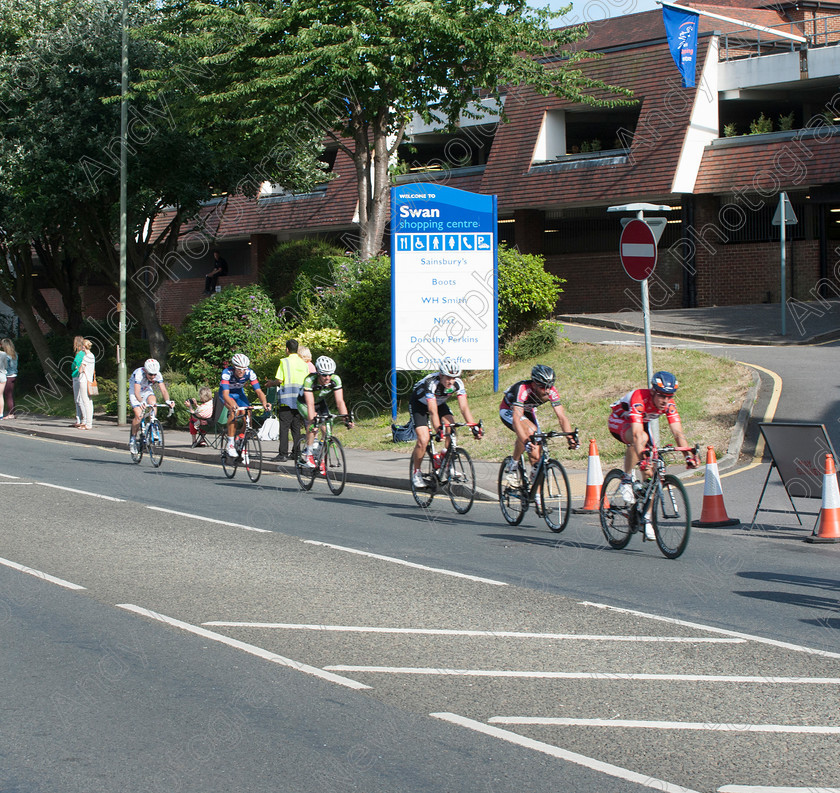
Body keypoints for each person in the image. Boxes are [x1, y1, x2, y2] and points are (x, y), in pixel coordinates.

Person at [608, 370, 699, 540]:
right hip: (619, 421)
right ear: (653, 392)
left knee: (651, 473)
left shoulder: (669, 404)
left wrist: (688, 456)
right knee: (640, 440)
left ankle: (647, 519)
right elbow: (636, 435)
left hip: (642, 423)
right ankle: (626, 479)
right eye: (662, 396)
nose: (665, 400)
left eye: (670, 396)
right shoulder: (639, 398)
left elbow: (678, 432)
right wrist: (642, 456)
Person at [499, 364, 579, 493]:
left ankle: (536, 498)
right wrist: (525, 440)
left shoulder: (551, 391)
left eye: (549, 386)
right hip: (509, 410)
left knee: (536, 454)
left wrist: (570, 437)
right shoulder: (522, 389)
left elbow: (561, 417)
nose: (546, 390)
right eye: (542, 386)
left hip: (528, 410)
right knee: (530, 431)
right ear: (534, 384)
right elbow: (516, 419)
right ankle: (512, 466)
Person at [409, 360, 482, 489]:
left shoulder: (458, 384)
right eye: (448, 377)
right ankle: (417, 472)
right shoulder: (431, 382)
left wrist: (473, 427)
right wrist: (438, 429)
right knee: (423, 439)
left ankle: (447, 461)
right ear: (441, 375)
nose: (451, 381)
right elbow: (432, 411)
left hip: (439, 403)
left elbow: (464, 408)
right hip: (419, 405)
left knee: (451, 427)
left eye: (454, 378)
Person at [296, 355, 353, 468]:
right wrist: (314, 421)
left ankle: (320, 449)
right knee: (313, 423)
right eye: (324, 374)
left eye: (330, 374)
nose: (327, 377)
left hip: (320, 402)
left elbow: (340, 401)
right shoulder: (309, 380)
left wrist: (346, 419)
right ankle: (309, 455)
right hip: (304, 403)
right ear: (318, 372)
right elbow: (310, 404)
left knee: (328, 424)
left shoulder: (335, 380)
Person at [264, 339, 308, 462]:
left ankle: (283, 454)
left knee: (284, 427)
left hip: (286, 399)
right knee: (296, 427)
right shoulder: (304, 364)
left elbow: (279, 380)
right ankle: (296, 453)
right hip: (300, 399)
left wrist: (270, 384)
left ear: (287, 349)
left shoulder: (284, 362)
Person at [220, 353, 271, 458]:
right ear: (234, 367)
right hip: (227, 394)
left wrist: (265, 403)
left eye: (244, 369)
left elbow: (259, 391)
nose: (241, 371)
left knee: (248, 415)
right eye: (239, 369)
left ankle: (241, 438)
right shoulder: (227, 373)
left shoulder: (250, 373)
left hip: (239, 394)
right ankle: (230, 444)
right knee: (235, 411)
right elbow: (225, 394)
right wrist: (233, 405)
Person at [129, 358, 175, 452]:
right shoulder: (139, 374)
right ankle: (133, 439)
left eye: (155, 374)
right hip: (135, 392)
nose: (153, 376)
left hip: (146, 390)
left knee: (153, 403)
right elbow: (137, 392)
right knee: (139, 416)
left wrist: (168, 401)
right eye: (150, 374)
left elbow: (163, 390)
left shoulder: (157, 374)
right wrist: (141, 402)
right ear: (146, 371)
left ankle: (153, 425)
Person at [76, 339, 96, 430]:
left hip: (84, 380)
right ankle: (89, 422)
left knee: (85, 402)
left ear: (84, 346)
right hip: (90, 380)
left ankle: (87, 424)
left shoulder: (86, 357)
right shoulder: (92, 356)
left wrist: (79, 366)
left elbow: (80, 370)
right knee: (90, 402)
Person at [71, 335, 85, 427]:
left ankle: (80, 419)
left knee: (78, 399)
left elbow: (73, 366)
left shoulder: (79, 354)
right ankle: (82, 419)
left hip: (77, 376)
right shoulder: (85, 354)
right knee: (83, 399)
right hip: (83, 377)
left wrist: (73, 367)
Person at [1, 338, 18, 418]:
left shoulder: (5, 356)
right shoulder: (14, 354)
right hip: (14, 375)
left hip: (8, 376)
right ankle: (12, 412)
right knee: (10, 394)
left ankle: (11, 414)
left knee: (8, 395)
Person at [0, 340, 6, 420]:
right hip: (2, 375)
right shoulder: (3, 354)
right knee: (0, 395)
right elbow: (5, 366)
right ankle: (1, 414)